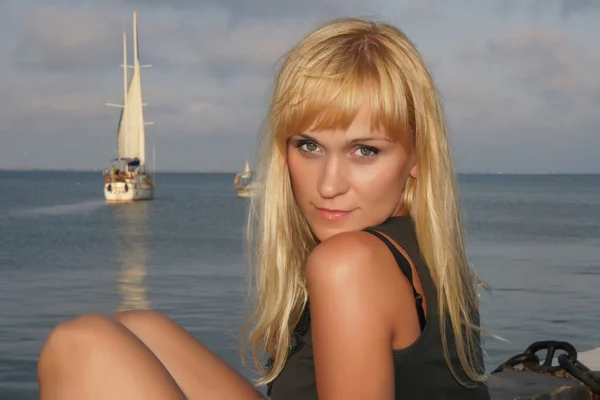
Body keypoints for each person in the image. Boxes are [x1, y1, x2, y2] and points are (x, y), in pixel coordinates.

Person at [37, 18, 490, 400]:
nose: (329, 185)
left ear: (416, 157)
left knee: (79, 346)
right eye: (308, 146)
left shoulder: (348, 263)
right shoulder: (425, 249)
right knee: (137, 327)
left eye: (365, 151)